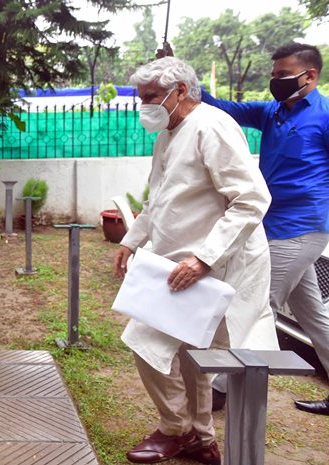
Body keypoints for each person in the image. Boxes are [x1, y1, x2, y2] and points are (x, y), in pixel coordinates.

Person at [115, 57, 278, 464]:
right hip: (177, 264)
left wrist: (203, 260)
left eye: (151, 97)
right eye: (141, 97)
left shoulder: (213, 126)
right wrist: (132, 240)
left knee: (145, 340)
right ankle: (202, 439)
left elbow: (251, 199)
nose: (144, 106)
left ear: (180, 91)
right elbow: (160, 198)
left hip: (212, 266)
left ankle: (176, 429)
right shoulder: (169, 134)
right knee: (192, 357)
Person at [201, 42, 329, 416]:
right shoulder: (273, 111)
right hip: (272, 223)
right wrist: (185, 77)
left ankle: (220, 390)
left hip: (302, 227)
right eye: (273, 75)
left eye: (283, 75)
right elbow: (223, 107)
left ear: (310, 76)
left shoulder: (323, 116)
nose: (276, 82)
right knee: (313, 316)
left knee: (256, 303)